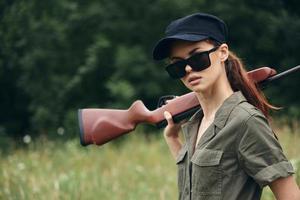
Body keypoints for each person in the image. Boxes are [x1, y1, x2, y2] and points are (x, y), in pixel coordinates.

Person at [152, 13, 300, 200]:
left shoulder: (245, 121)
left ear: (222, 52)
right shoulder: (196, 123)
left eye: (197, 58)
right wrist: (172, 138)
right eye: (178, 66)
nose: (188, 69)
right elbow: (199, 185)